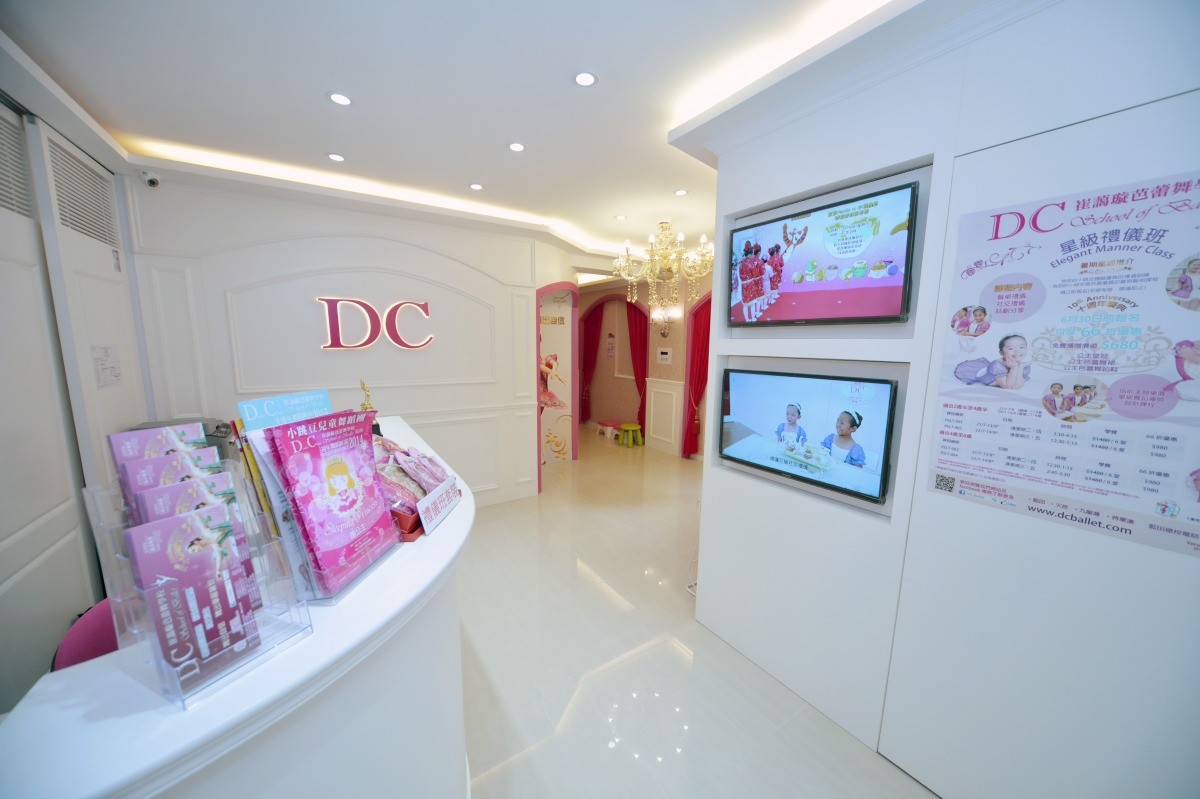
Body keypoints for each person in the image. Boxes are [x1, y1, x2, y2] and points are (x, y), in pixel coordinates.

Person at [954, 334, 1031, 389]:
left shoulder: (1024, 366)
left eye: (1022, 347)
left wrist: (1020, 367)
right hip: (977, 372)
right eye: (1011, 348)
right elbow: (1008, 386)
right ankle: (964, 344)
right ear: (1002, 353)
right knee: (975, 370)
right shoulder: (997, 366)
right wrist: (1014, 368)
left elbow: (1017, 386)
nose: (1017, 351)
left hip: (993, 369)